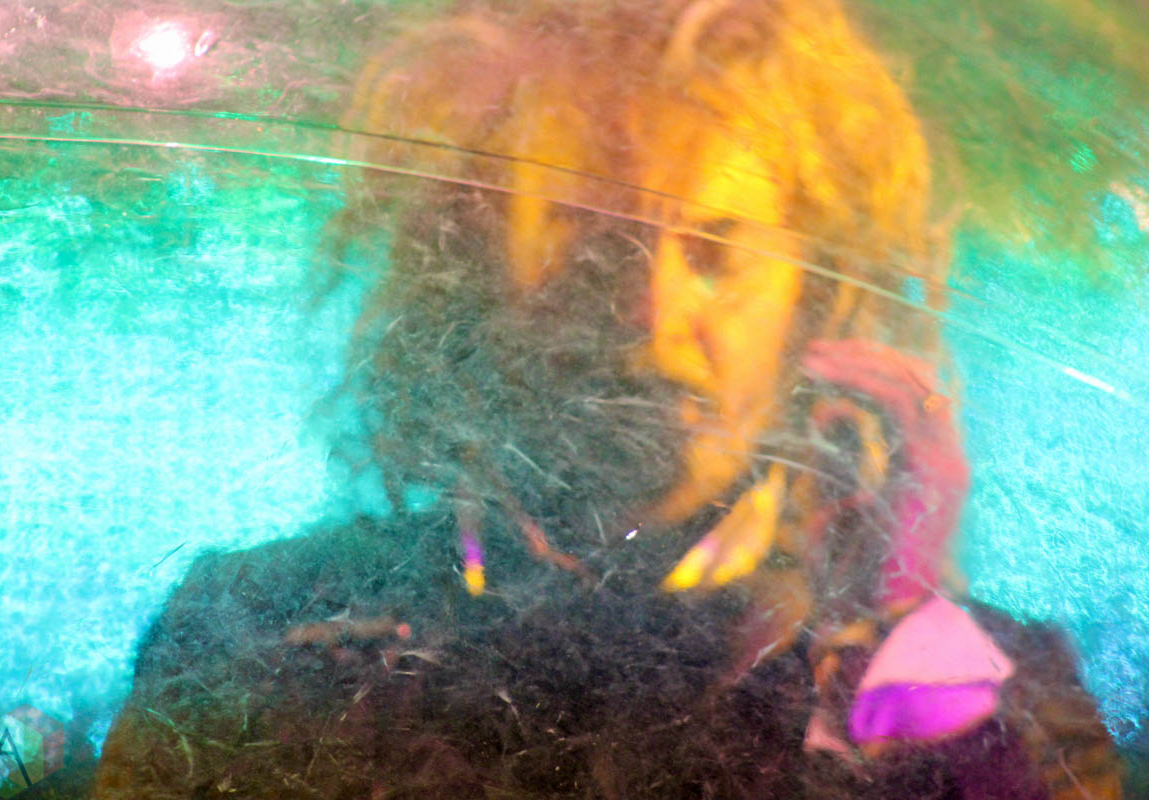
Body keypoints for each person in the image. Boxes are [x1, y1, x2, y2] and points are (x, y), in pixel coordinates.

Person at [93, 1, 1123, 797]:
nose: (649, 313)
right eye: (590, 237)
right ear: (470, 264)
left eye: (715, 249)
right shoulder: (253, 629)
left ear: (813, 302)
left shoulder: (991, 684)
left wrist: (907, 642)